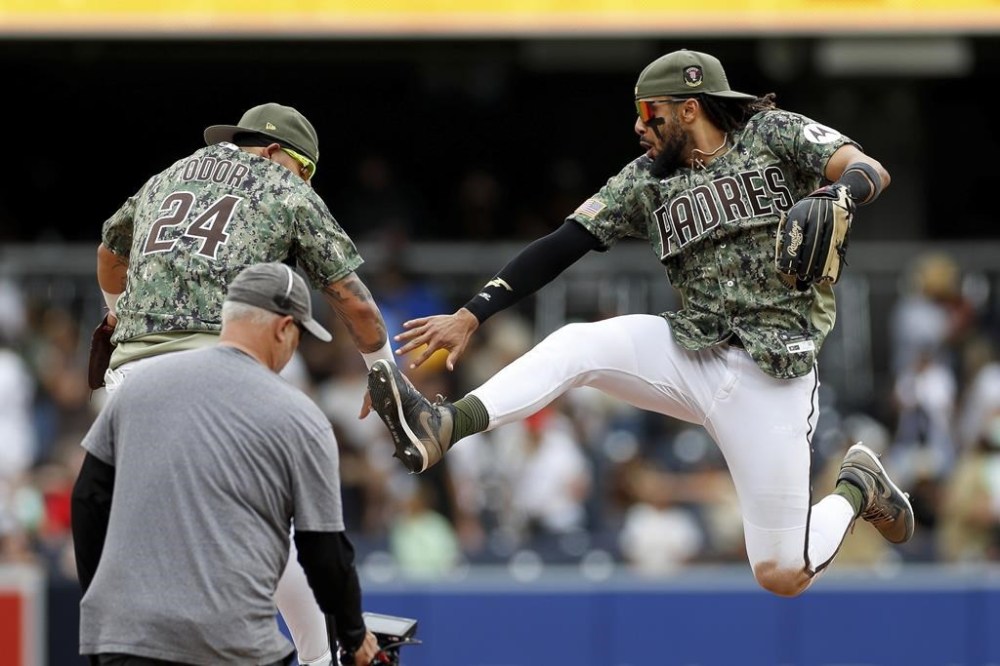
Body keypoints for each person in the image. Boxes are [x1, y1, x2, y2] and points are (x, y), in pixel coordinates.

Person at [367, 49, 915, 597]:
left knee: (780, 572)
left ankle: (856, 489)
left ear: (688, 109)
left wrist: (837, 192)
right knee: (577, 345)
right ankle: (445, 424)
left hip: (774, 372)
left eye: (648, 111)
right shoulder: (645, 180)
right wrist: (471, 313)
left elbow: (870, 168)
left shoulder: (769, 133)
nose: (637, 125)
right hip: (692, 349)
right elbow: (562, 244)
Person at [93, 103, 396, 666]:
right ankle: (326, 651)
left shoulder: (168, 174)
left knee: (178, 526)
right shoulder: (287, 190)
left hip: (131, 382)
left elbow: (111, 252)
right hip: (217, 372)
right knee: (265, 514)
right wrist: (383, 368)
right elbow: (353, 299)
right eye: (306, 170)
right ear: (283, 155)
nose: (305, 181)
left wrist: (117, 315)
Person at [71, 263, 380, 666]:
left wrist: (100, 616)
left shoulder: (140, 388)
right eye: (300, 335)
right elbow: (323, 550)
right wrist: (354, 636)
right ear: (284, 329)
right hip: (228, 645)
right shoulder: (298, 416)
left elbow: (88, 500)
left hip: (127, 641)